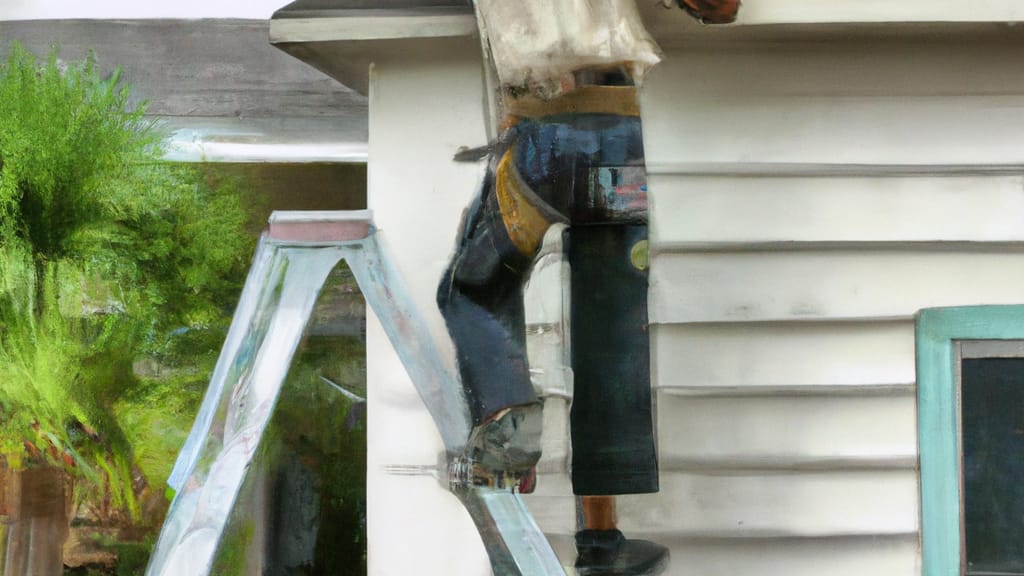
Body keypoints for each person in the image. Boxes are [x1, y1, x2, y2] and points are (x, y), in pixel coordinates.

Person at [437, 2, 738, 574]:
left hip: (540, 142)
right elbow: (718, 6)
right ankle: (602, 545)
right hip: (616, 144)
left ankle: (511, 438)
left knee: (475, 288)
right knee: (612, 336)